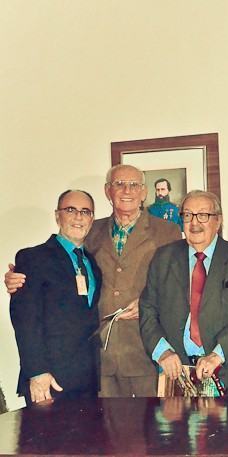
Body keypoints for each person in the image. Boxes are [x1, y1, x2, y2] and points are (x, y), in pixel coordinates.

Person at [5, 164, 182, 397]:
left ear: (144, 192)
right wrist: (18, 280)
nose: (126, 191)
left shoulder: (167, 231)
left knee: (146, 431)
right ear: (108, 191)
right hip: (97, 361)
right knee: (98, 432)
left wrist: (149, 302)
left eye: (134, 185)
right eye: (119, 184)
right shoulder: (91, 230)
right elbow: (54, 270)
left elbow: (178, 283)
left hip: (144, 353)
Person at [139, 190, 228, 395]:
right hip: (176, 374)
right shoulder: (163, 257)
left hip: (227, 373)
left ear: (218, 220)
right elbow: (148, 308)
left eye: (203, 215)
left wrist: (217, 355)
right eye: (188, 215)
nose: (194, 222)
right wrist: (162, 352)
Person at [10, 190, 102, 404]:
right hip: (48, 380)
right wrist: (37, 372)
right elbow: (25, 319)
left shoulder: (92, 264)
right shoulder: (33, 258)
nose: (78, 217)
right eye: (70, 210)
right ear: (57, 216)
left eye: (85, 211)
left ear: (92, 219)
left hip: (86, 381)